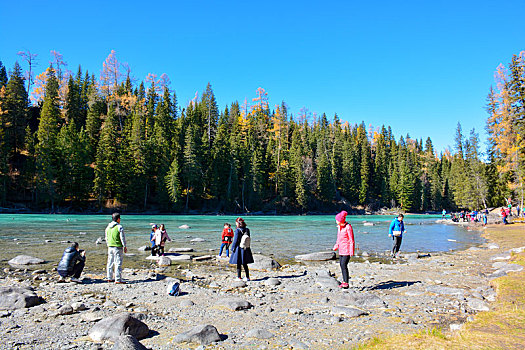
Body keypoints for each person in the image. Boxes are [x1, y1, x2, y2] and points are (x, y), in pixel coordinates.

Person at [332, 211, 355, 289]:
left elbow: (351, 240)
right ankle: (344, 281)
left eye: (337, 220)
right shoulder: (339, 227)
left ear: (340, 220)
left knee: (343, 265)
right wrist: (336, 246)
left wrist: (351, 251)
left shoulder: (348, 227)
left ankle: (346, 283)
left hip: (347, 250)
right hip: (341, 249)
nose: (336, 221)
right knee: (341, 265)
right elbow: (338, 238)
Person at [229, 217, 254, 281]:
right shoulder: (247, 230)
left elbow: (235, 240)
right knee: (245, 263)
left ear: (238, 223)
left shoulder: (237, 230)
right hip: (246, 248)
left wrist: (232, 248)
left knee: (238, 263)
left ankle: (239, 277)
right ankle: (247, 277)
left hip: (238, 248)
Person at [105, 212, 127, 284]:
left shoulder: (107, 227)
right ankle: (118, 279)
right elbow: (122, 238)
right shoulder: (119, 227)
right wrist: (125, 246)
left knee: (110, 262)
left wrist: (108, 244)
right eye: (119, 219)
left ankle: (109, 278)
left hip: (110, 247)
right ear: (118, 219)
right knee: (118, 263)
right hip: (118, 247)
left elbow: (106, 238)